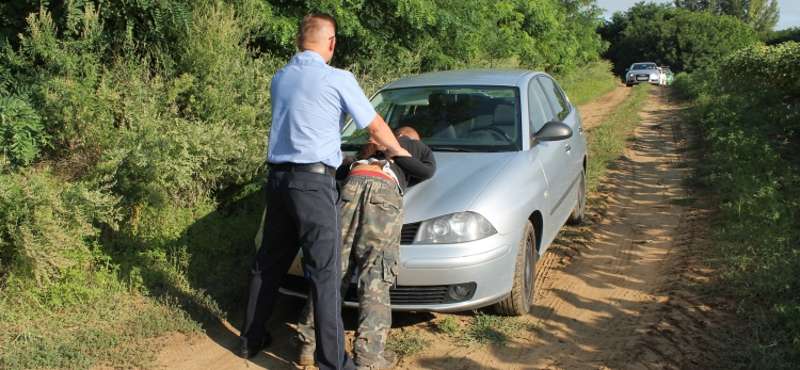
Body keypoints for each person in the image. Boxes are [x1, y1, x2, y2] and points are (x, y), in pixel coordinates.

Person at [237, 13, 411, 370]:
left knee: (267, 264)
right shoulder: (338, 78)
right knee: (326, 273)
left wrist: (339, 154)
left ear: (300, 41)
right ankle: (333, 362)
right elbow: (376, 128)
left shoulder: (280, 78)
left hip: (279, 181)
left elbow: (305, 127)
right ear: (330, 43)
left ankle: (249, 340)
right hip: (313, 188)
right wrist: (401, 154)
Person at [294, 127, 436, 369]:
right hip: (382, 192)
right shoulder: (414, 144)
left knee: (332, 270)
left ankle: (307, 344)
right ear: (411, 136)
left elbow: (339, 170)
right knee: (375, 277)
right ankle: (369, 358)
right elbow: (428, 171)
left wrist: (363, 155)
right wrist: (398, 152)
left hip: (350, 188)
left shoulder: (371, 146)